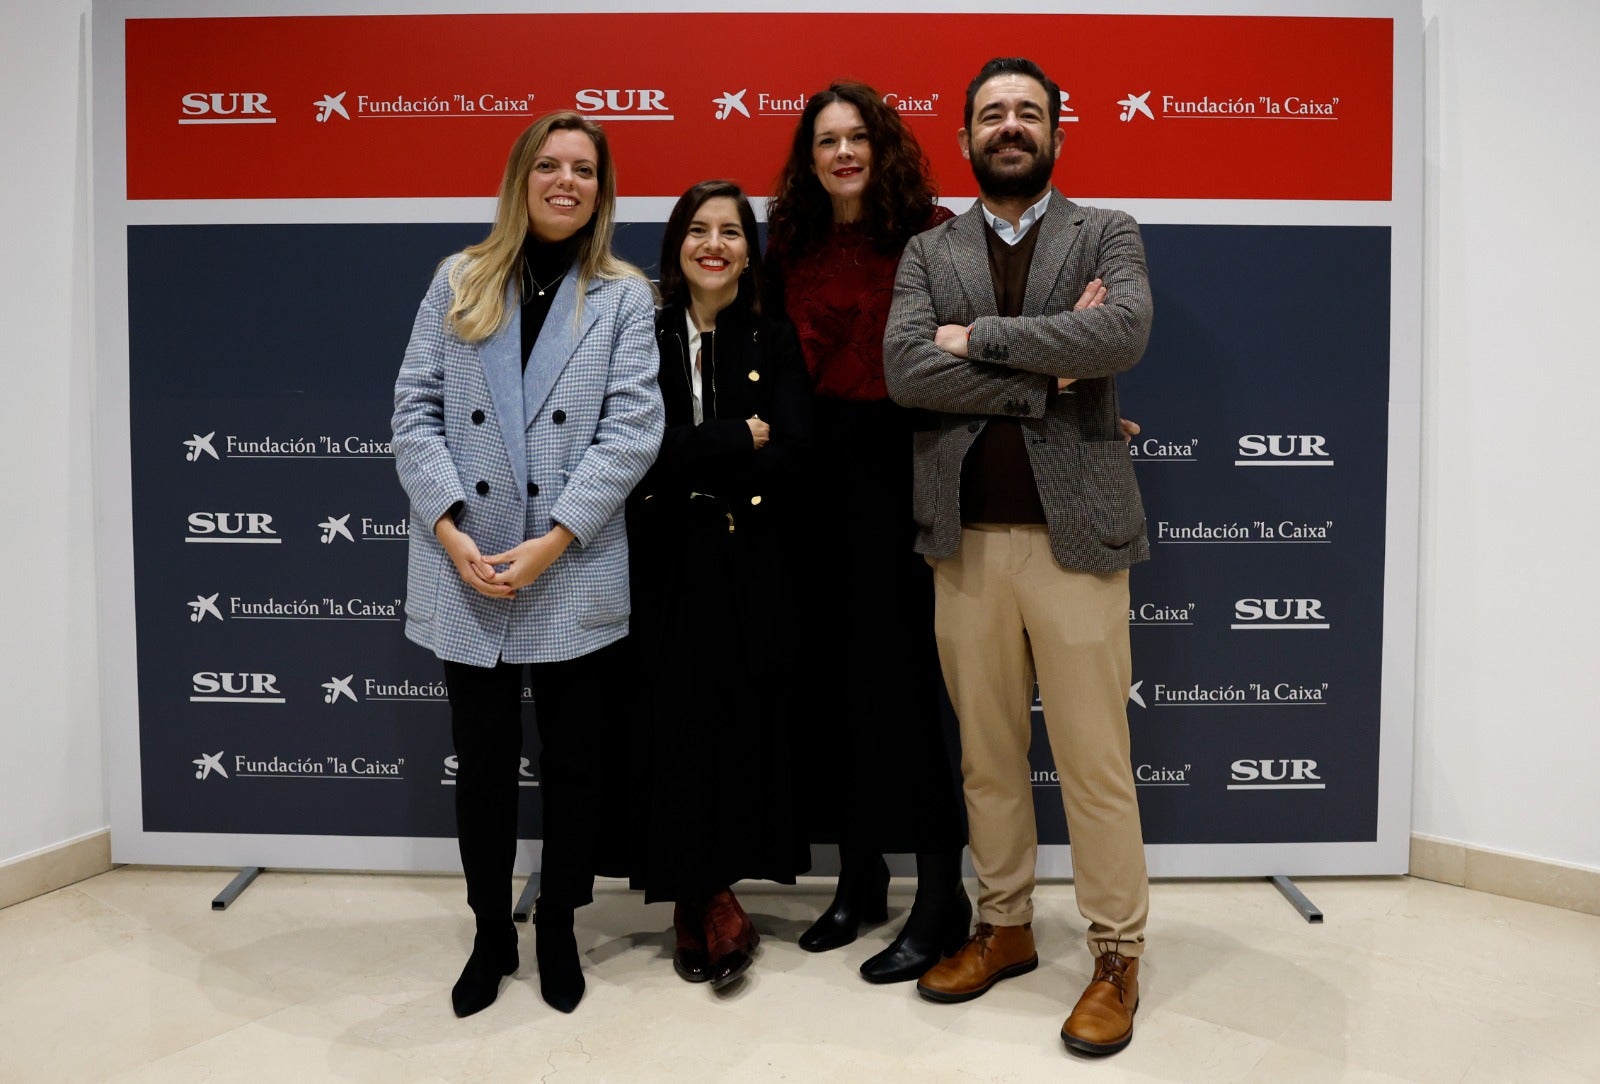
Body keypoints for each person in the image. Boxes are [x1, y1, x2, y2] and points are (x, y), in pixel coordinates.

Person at [882, 57, 1153, 1056]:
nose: (1009, 126)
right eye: (991, 114)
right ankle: (1004, 928)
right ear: (963, 138)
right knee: (988, 759)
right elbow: (905, 371)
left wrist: (980, 339)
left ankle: (1117, 953)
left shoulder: (1106, 231)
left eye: (1026, 113)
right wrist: (1052, 368)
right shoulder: (926, 250)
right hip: (966, 542)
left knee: (1093, 764)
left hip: (1076, 539)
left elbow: (1121, 332)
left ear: (1055, 133)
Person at [391, 112, 663, 1018]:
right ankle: (488, 933)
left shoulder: (623, 294)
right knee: (483, 761)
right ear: (521, 178)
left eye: (583, 169)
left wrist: (555, 540)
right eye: (548, 165)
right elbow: (414, 410)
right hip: (465, 559)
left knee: (578, 765)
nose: (565, 181)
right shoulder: (458, 280)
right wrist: (448, 525)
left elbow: (632, 432)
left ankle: (555, 928)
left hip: (570, 561)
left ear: (602, 188)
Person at [764, 81, 972, 985]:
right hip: (814, 477)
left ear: (884, 147)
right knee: (835, 685)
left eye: (857, 138)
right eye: (826, 142)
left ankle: (941, 895)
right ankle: (858, 877)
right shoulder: (789, 239)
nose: (843, 153)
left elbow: (973, 338)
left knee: (909, 689)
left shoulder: (932, 230)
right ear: (809, 159)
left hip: (906, 467)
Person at [626, 180, 814, 990]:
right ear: (676, 245)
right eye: (698, 230)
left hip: (748, 559)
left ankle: (707, 896)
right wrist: (733, 435)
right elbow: (634, 452)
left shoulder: (773, 337)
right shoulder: (640, 335)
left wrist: (694, 453)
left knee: (737, 730)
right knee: (672, 731)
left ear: (749, 248)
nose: (715, 244)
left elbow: (798, 450)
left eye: (731, 231)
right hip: (660, 563)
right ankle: (705, 902)